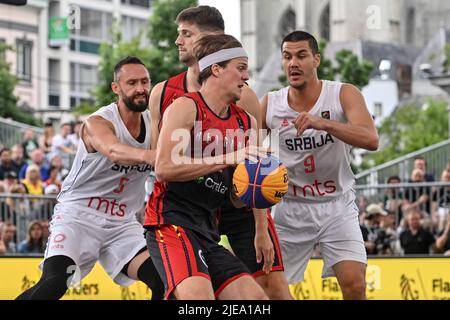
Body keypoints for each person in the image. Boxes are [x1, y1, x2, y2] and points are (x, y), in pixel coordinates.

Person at [147, 5, 291, 300]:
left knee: (259, 299)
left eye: (186, 34)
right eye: (240, 68)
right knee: (198, 301)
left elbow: (239, 192)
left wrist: (260, 189)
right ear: (216, 68)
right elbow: (162, 168)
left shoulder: (245, 115)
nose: (247, 76)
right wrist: (227, 159)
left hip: (209, 221)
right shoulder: (182, 104)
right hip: (173, 220)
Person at [16, 56, 164, 300]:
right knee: (54, 283)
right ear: (116, 88)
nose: (140, 89)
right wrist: (156, 156)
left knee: (164, 278)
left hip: (121, 223)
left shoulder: (154, 124)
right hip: (79, 216)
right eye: (132, 82)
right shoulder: (98, 122)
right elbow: (115, 151)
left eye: (145, 82)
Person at [261, 30, 379, 300]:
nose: (293, 63)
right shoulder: (270, 104)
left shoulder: (342, 94)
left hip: (337, 205)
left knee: (355, 285)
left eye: (301, 55)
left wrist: (322, 123)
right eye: (287, 57)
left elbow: (371, 139)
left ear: (316, 59)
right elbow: (247, 153)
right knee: (267, 291)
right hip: (289, 208)